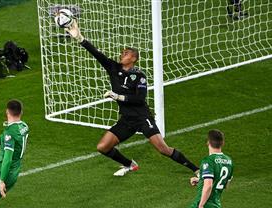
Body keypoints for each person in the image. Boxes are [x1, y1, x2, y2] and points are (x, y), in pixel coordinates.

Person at [65, 20, 199, 177]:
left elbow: (140, 99)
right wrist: (80, 38)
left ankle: (196, 169)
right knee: (102, 147)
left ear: (134, 58)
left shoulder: (139, 76)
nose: (122, 54)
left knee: (163, 149)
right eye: (122, 52)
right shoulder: (113, 68)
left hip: (142, 118)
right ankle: (129, 164)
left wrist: (118, 96)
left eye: (126, 53)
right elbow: (97, 54)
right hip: (126, 119)